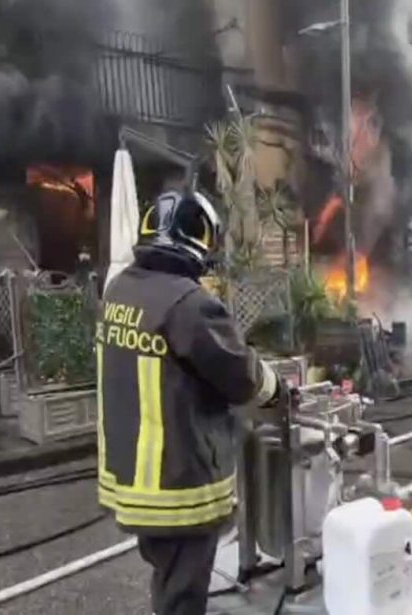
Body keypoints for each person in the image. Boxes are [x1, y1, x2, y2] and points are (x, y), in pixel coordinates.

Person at [96, 190, 283, 615]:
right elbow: (240, 376)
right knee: (183, 594)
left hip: (133, 480)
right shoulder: (189, 305)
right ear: (197, 242)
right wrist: (280, 390)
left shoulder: (119, 291)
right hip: (177, 485)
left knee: (169, 578)